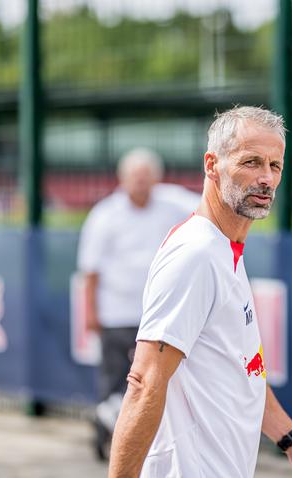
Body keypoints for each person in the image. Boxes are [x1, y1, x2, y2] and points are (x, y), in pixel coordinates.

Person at [108, 106, 292, 478]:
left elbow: (244, 369)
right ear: (212, 165)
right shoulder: (197, 254)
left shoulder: (224, 249)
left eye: (274, 166)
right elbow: (144, 384)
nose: (266, 178)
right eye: (251, 162)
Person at [76, 147, 199, 460]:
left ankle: (147, 443)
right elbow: (90, 271)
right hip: (117, 313)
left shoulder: (172, 202)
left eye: (146, 177)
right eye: (136, 177)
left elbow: (206, 210)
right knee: (115, 380)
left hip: (158, 316)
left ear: (156, 178)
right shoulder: (105, 214)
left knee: (154, 382)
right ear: (123, 179)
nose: (141, 183)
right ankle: (107, 437)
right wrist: (91, 312)